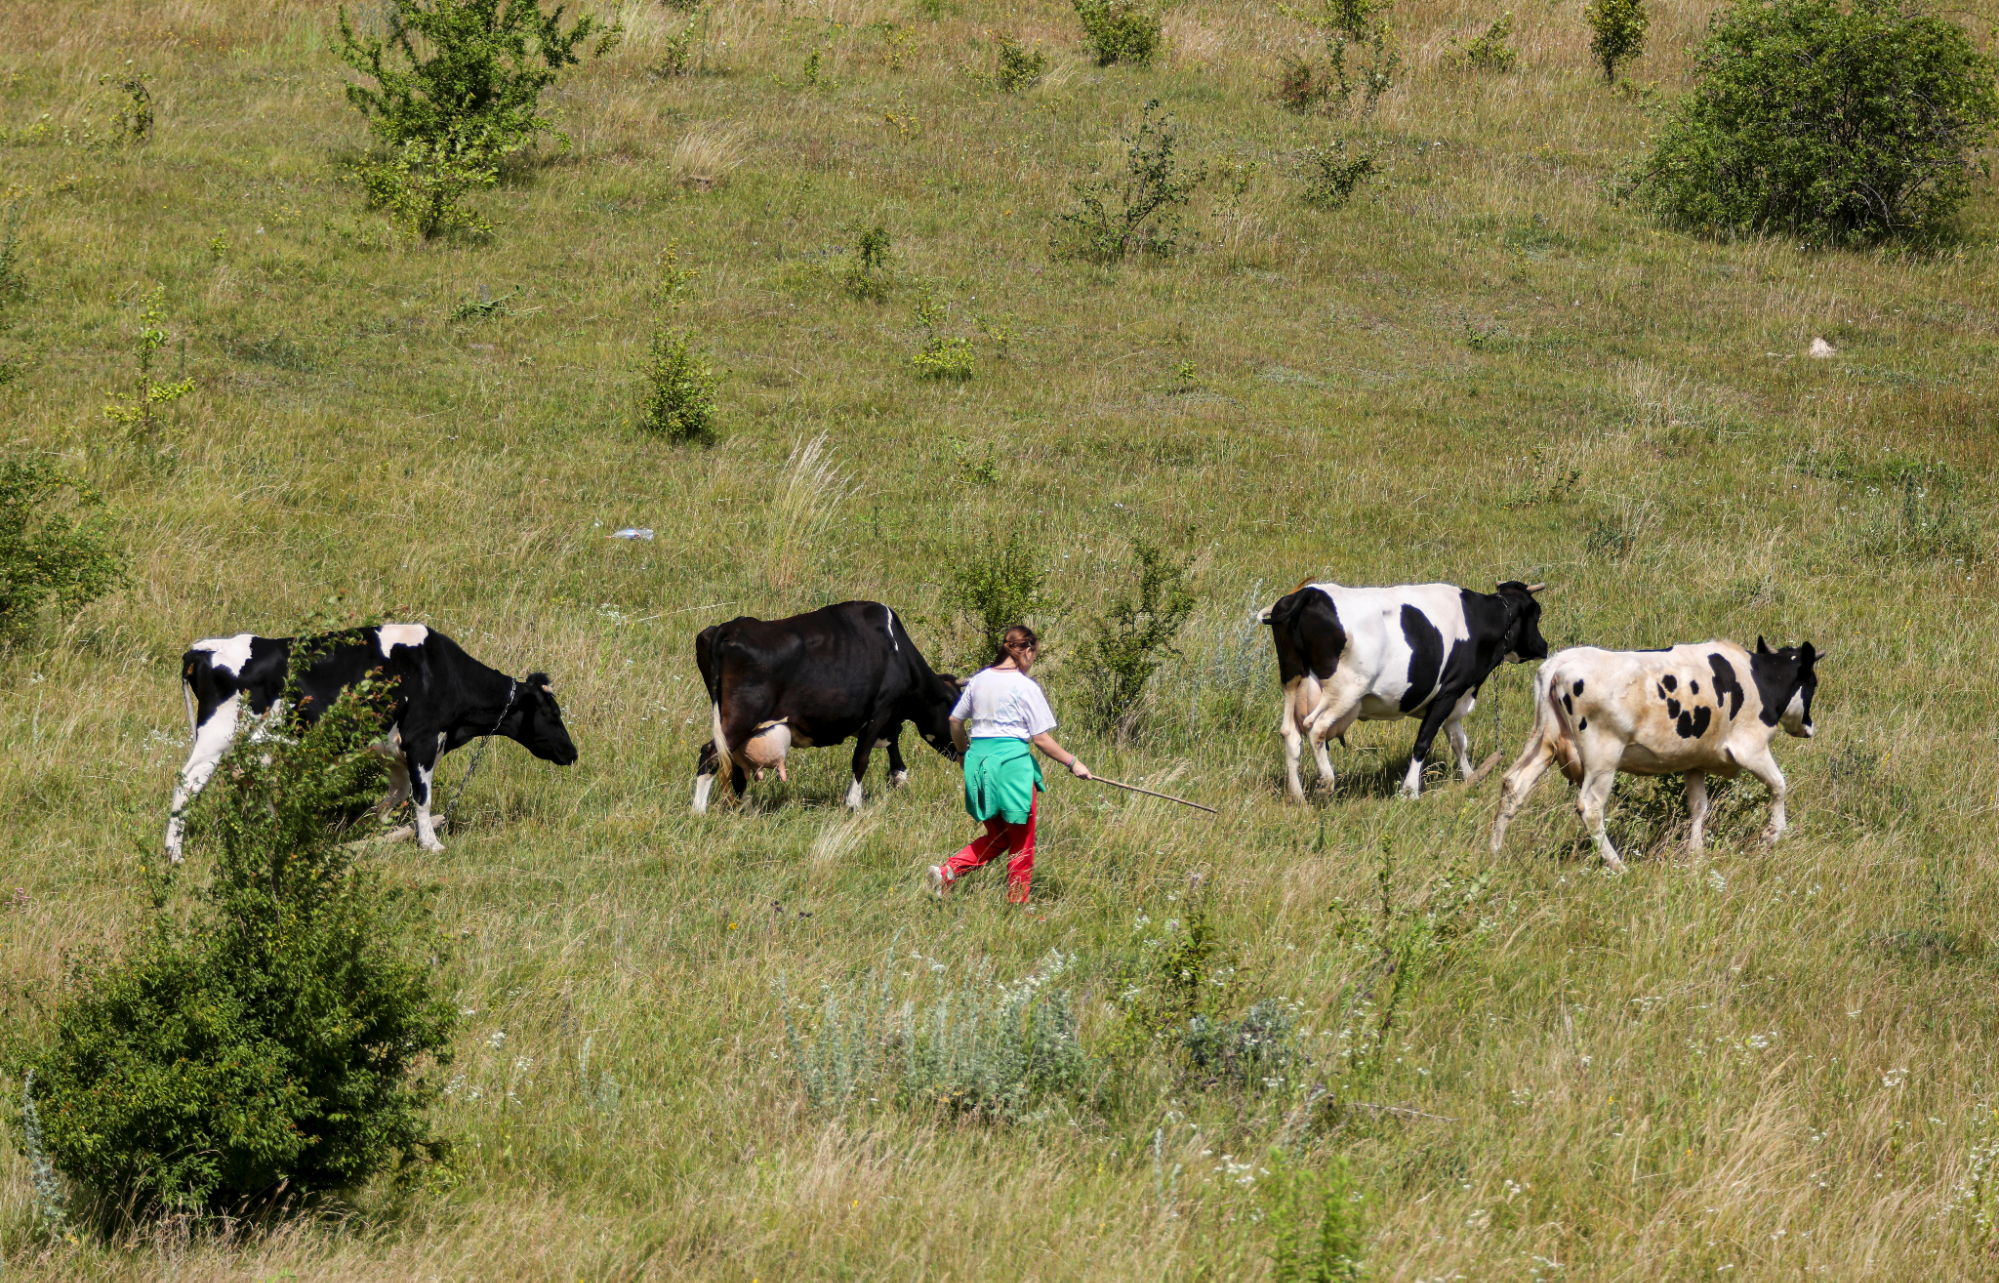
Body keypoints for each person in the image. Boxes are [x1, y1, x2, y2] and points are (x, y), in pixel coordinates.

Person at [927, 625, 1090, 905]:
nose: (1033, 659)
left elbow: (955, 721)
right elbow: (1040, 738)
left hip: (979, 766)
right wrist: (1073, 763)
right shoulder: (1025, 686)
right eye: (1034, 654)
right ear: (1026, 650)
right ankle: (1017, 907)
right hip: (1011, 768)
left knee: (999, 836)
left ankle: (947, 872)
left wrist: (964, 752)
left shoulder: (979, 680)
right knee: (1021, 842)